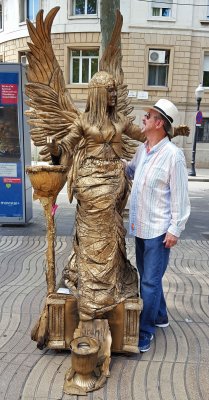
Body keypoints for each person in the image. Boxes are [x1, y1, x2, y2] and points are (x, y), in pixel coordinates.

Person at [47, 70, 145, 321]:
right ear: (98, 95)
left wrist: (170, 130)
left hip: (114, 182)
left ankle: (109, 282)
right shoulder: (83, 121)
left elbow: (143, 135)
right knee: (91, 238)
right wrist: (53, 146)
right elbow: (66, 145)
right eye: (109, 91)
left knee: (111, 236)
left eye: (114, 90)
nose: (114, 95)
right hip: (90, 184)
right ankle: (91, 287)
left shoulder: (121, 120)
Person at [125, 99, 191, 352]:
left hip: (159, 231)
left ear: (159, 123)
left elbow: (180, 197)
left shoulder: (173, 156)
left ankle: (145, 331)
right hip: (140, 227)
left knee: (149, 283)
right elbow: (131, 171)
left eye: (148, 115)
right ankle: (161, 316)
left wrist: (176, 229)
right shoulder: (143, 149)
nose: (144, 118)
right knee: (149, 279)